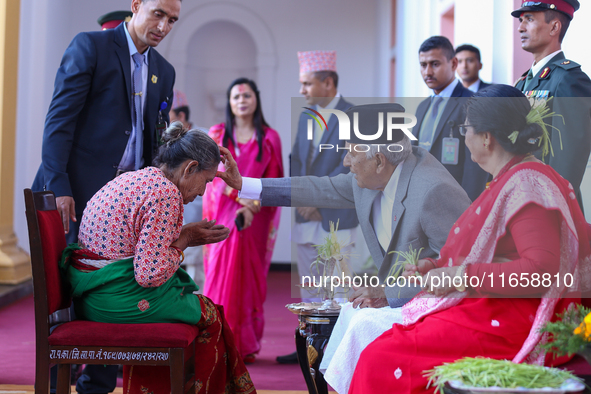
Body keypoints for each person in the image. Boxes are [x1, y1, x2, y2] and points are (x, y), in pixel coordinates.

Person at [33, 1, 230, 392]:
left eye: (172, 20)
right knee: (78, 284)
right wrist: (59, 187)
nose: (164, 25)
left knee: (134, 281)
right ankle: (71, 378)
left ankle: (99, 382)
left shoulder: (164, 70)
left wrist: (166, 185)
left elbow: (157, 141)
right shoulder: (91, 47)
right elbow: (59, 121)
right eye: (157, 13)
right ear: (136, 5)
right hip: (81, 191)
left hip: (135, 197)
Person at [347, 85, 591, 394]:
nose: (464, 137)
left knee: (380, 356)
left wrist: (460, 275)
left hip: (516, 319)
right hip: (493, 304)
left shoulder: (528, 185)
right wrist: (434, 265)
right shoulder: (510, 178)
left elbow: (540, 271)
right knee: (379, 339)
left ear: (486, 137)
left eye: (466, 129)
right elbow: (492, 251)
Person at [60, 123, 256, 394]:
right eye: (207, 182)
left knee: (200, 305)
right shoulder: (167, 195)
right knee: (211, 315)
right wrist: (185, 240)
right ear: (189, 168)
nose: (202, 192)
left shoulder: (139, 178)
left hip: (92, 292)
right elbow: (149, 274)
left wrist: (183, 235)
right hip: (114, 299)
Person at [276, 50, 359, 365]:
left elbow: (352, 167)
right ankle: (310, 346)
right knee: (310, 287)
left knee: (337, 288)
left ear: (328, 82)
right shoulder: (306, 115)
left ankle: (335, 354)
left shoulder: (353, 116)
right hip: (304, 213)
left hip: (335, 217)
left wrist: (320, 204)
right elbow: (297, 160)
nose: (302, 91)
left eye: (307, 84)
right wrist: (301, 198)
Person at [202, 78, 283, 363]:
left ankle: (243, 342)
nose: (242, 101)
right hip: (224, 208)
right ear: (230, 103)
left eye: (247, 95)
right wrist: (240, 201)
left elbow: (274, 182)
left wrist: (250, 208)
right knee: (227, 253)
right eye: (236, 97)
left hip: (256, 216)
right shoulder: (217, 134)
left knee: (250, 278)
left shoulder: (270, 137)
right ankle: (217, 336)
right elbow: (209, 176)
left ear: (256, 99)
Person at [512, 0, 591, 209]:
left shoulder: (570, 79)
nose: (520, 27)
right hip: (518, 198)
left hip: (548, 205)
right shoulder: (521, 82)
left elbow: (569, 158)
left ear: (554, 27)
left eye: (529, 19)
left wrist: (550, 207)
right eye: (521, 21)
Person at [413, 36, 488, 201]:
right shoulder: (422, 107)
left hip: (453, 202)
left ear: (453, 64)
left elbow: (475, 167)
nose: (428, 72)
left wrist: (467, 211)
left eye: (435, 64)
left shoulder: (472, 103)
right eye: (423, 65)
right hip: (420, 200)